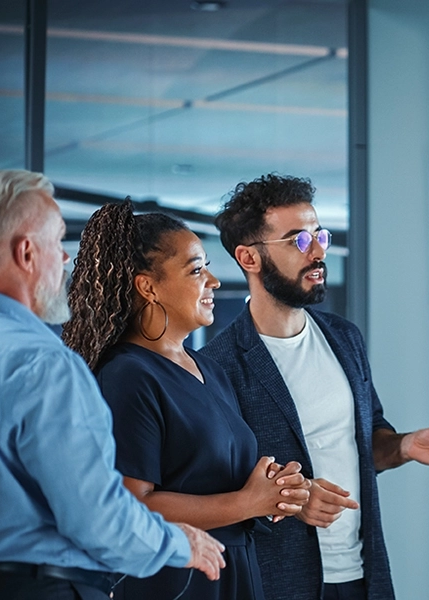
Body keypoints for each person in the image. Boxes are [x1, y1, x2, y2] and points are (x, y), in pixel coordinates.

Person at [0, 170, 225, 600]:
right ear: (26, 252)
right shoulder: (43, 364)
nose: (64, 260)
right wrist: (180, 544)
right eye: (57, 241)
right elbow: (97, 518)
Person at [201, 174, 429, 600]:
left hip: (363, 574)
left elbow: (367, 438)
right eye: (298, 241)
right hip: (279, 583)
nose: (319, 251)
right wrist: (291, 500)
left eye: (319, 235)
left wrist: (404, 446)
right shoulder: (218, 365)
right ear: (249, 259)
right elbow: (219, 490)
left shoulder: (345, 338)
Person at [61, 201, 312, 600]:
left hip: (233, 570)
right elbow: (131, 504)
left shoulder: (207, 368)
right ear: (148, 287)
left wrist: (271, 492)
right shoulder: (126, 376)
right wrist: (245, 501)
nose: (213, 281)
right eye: (196, 270)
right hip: (176, 580)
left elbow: (217, 479)